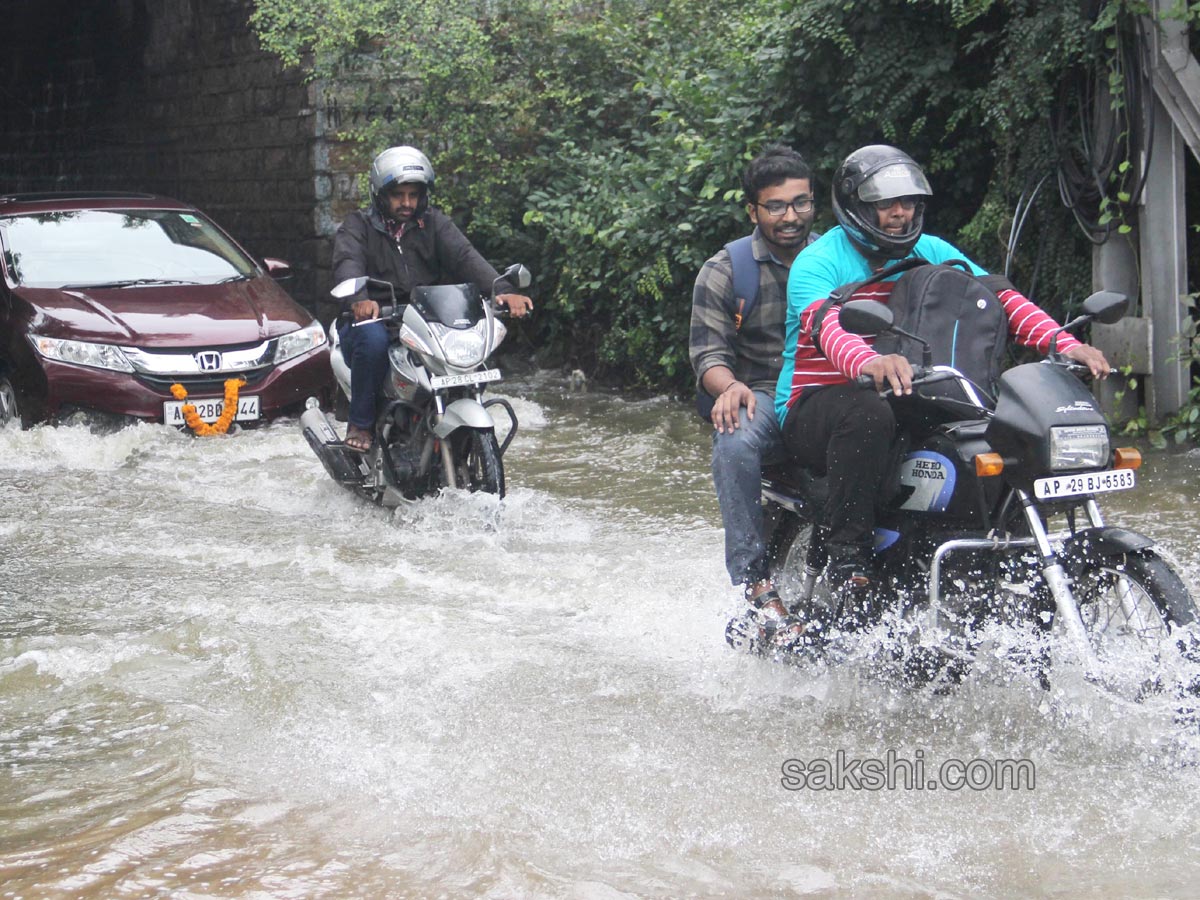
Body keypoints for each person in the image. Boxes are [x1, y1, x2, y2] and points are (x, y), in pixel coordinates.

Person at [774, 144, 1111, 624]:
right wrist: (871, 363)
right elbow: (828, 329)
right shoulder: (818, 262)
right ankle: (850, 557)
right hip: (818, 404)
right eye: (886, 203)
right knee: (869, 412)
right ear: (855, 206)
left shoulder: (930, 251)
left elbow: (1001, 298)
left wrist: (1063, 343)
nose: (899, 212)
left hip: (911, 390)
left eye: (909, 202)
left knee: (989, 434)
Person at [689, 145, 818, 641]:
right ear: (753, 211)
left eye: (801, 203)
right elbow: (708, 355)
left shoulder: (839, 258)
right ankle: (756, 580)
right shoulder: (726, 270)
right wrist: (730, 386)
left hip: (829, 388)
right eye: (777, 206)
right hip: (761, 391)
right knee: (735, 438)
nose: (791, 216)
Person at [331, 145, 533, 451]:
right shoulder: (357, 226)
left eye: (414, 195)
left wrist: (503, 290)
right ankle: (361, 423)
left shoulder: (435, 224)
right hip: (375, 319)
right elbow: (348, 262)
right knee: (372, 344)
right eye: (399, 195)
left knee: (470, 350)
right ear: (381, 195)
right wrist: (358, 298)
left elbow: (466, 257)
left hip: (426, 320)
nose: (407, 203)